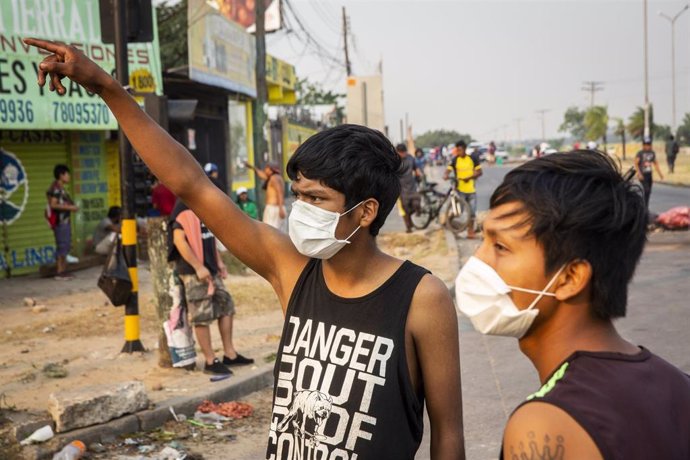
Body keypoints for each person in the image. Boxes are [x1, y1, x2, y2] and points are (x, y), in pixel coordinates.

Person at [25, 39, 464, 459]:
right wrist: (107, 87)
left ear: (365, 212)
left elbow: (449, 433)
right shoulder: (291, 268)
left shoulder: (422, 299)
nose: (300, 210)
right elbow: (192, 185)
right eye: (298, 195)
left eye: (316, 199)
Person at [455, 150, 690, 460]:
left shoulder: (543, 427)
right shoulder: (678, 385)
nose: (478, 260)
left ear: (569, 278)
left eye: (500, 246)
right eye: (483, 241)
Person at [168, 199, 254, 375]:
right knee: (201, 316)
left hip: (211, 268)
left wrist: (219, 262)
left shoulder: (202, 204)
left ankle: (230, 354)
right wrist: (198, 267)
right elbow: (179, 240)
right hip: (193, 272)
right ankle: (210, 360)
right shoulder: (183, 206)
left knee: (226, 307)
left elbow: (209, 237)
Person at [443, 140, 482, 238]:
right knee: (458, 211)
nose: (458, 152)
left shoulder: (472, 159)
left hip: (471, 190)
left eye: (460, 150)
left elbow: (479, 172)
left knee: (472, 213)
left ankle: (470, 232)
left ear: (464, 149)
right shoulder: (455, 159)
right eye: (457, 150)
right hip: (460, 190)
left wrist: (468, 178)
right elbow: (449, 169)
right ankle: (447, 221)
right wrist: (446, 174)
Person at [47, 164, 78, 280]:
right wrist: (70, 208)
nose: (69, 177)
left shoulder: (59, 188)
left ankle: (63, 271)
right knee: (62, 246)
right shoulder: (56, 189)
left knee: (65, 246)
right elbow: (53, 204)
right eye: (67, 174)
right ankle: (60, 272)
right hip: (61, 222)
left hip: (64, 221)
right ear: (61, 175)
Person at [246, 161, 287, 232]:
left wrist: (281, 208)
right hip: (274, 209)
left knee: (271, 232)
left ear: (271, 169)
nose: (265, 170)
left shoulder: (275, 178)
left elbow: (279, 192)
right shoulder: (272, 177)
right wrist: (252, 167)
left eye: (266, 168)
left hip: (274, 209)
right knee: (274, 232)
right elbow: (261, 174)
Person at [634, 136, 664, 210]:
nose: (647, 146)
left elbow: (655, 163)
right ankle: (643, 206)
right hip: (642, 175)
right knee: (646, 190)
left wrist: (660, 174)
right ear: (643, 145)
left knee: (648, 192)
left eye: (649, 144)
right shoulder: (640, 153)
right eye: (646, 144)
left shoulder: (652, 153)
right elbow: (636, 163)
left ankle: (645, 207)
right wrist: (639, 173)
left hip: (649, 175)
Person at [397, 143, 422, 233]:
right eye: (402, 153)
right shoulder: (395, 160)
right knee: (404, 209)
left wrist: (419, 175)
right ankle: (409, 227)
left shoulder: (410, 158)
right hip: (401, 189)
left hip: (410, 187)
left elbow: (416, 169)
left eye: (404, 152)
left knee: (414, 204)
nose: (403, 154)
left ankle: (411, 222)